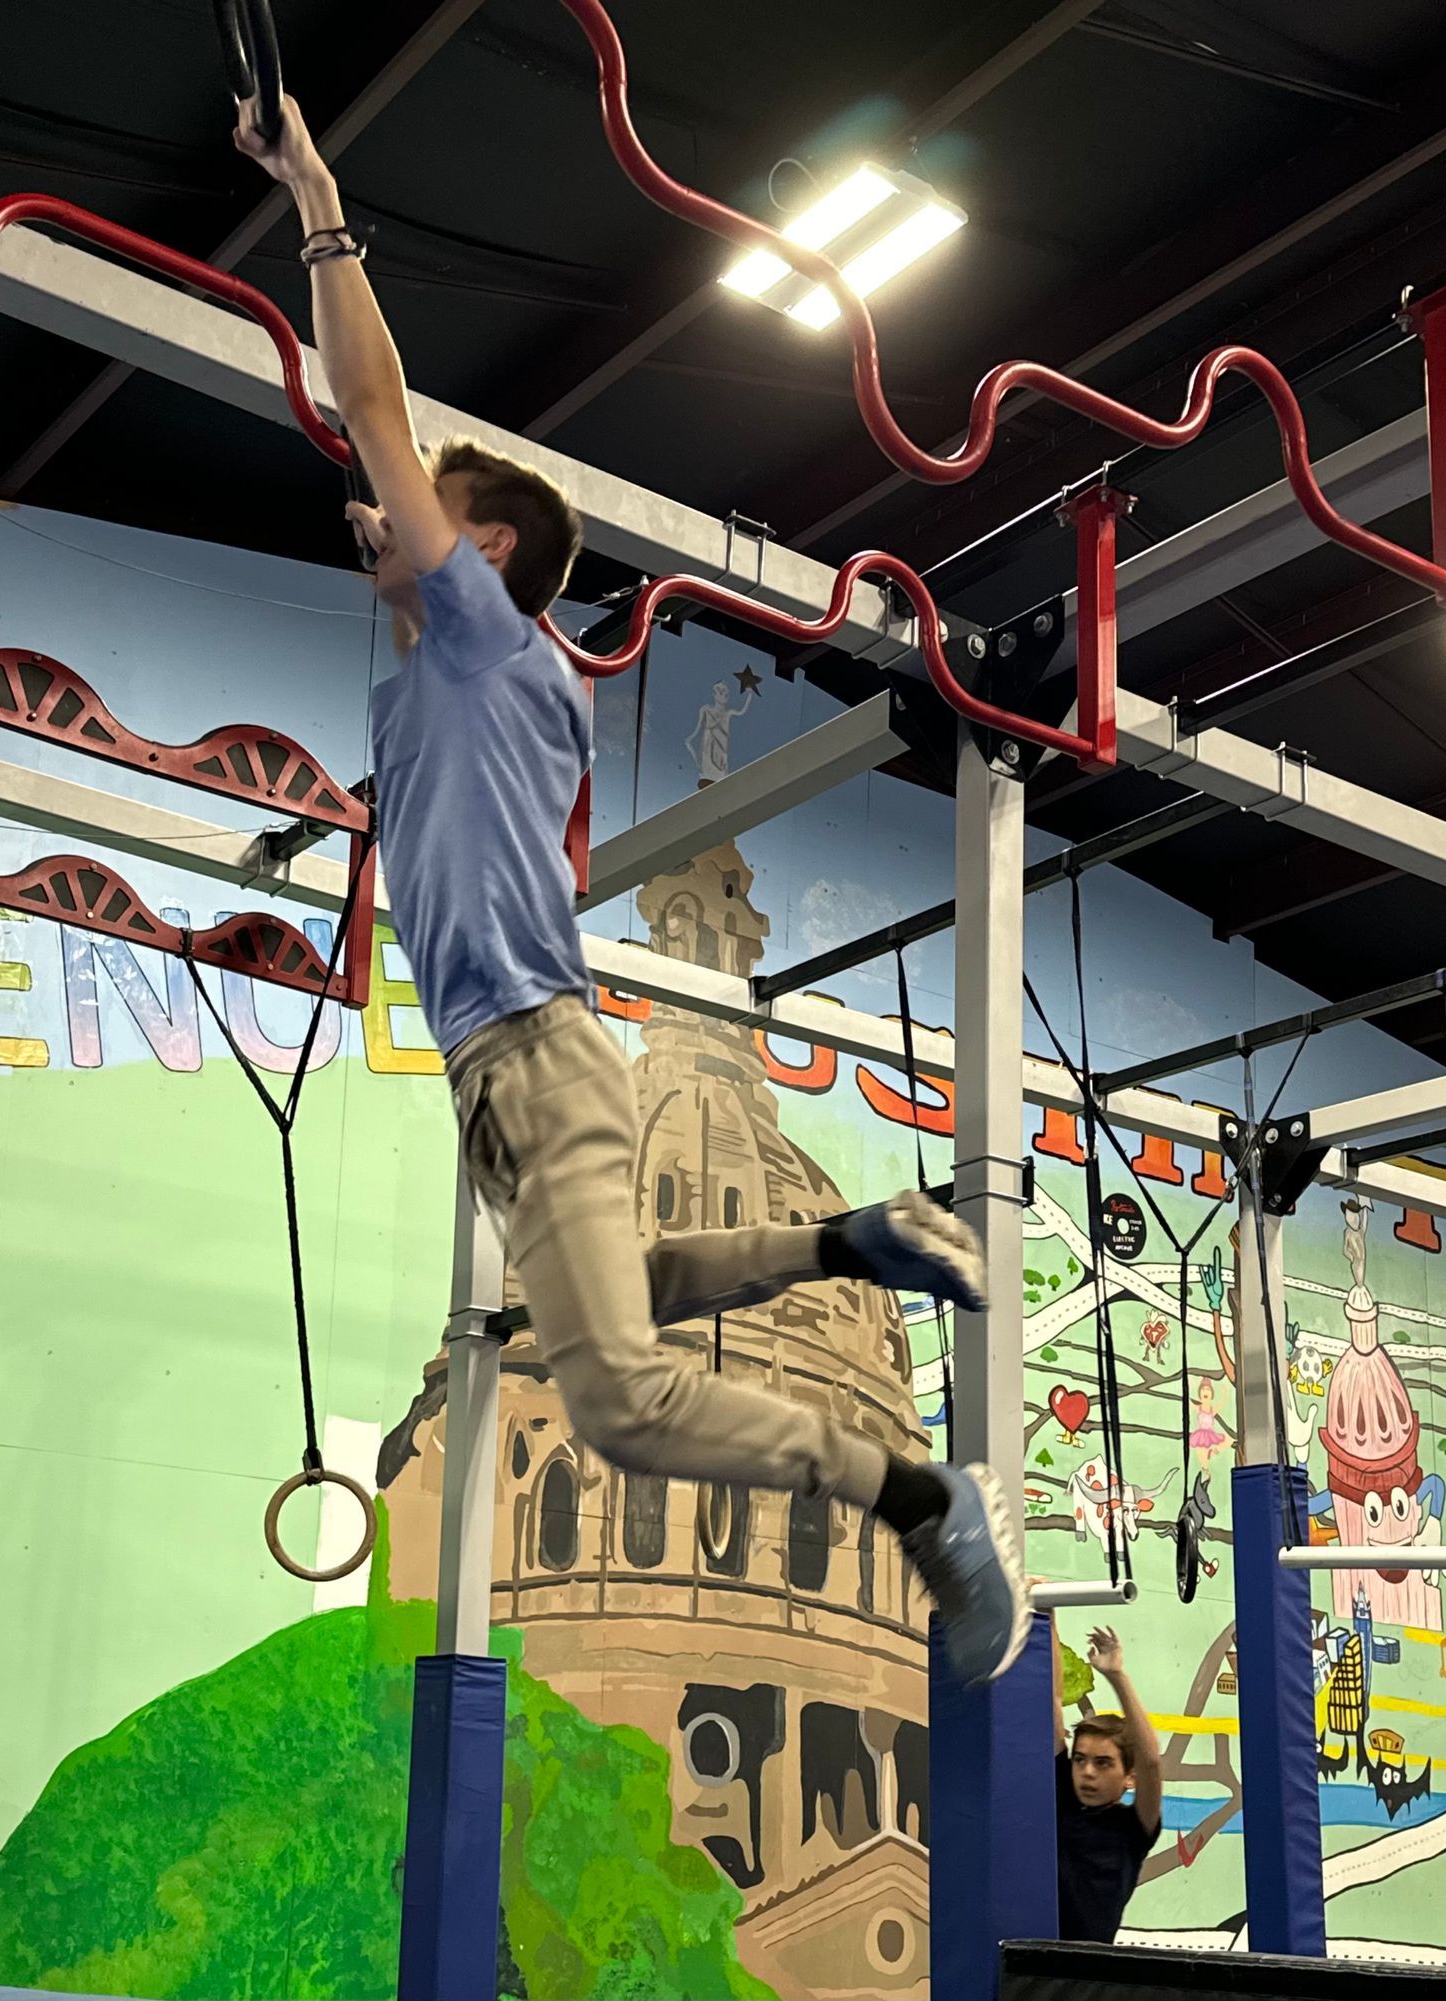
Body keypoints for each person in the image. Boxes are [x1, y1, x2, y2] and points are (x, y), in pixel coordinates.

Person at [235, 93, 1029, 1685]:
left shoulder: (491, 646)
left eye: (430, 518)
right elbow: (376, 477)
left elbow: (369, 396)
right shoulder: (445, 679)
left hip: (533, 1050)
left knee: (618, 1401)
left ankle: (924, 1497)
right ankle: (851, 1241)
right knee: (602, 1305)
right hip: (503, 1069)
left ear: (490, 560)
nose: (389, 511)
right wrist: (393, 548)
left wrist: (317, 195)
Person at [1052, 1624, 1163, 1942]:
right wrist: (1049, 1615)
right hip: (1033, 1957)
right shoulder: (1062, 1801)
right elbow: (1054, 1700)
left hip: (1089, 1969)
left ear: (1130, 1777)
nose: (1087, 1772)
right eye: (1080, 1760)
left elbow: (1151, 1761)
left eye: (1103, 1763)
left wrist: (1116, 1675)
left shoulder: (1133, 1829)